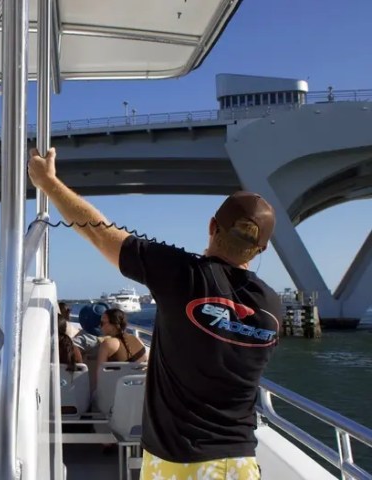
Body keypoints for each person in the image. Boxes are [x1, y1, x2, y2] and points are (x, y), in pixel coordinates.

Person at [28, 147, 282, 479]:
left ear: (211, 226)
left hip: (180, 462)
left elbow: (99, 231)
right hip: (242, 464)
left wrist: (48, 182)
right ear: (262, 248)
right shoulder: (272, 307)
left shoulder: (182, 275)